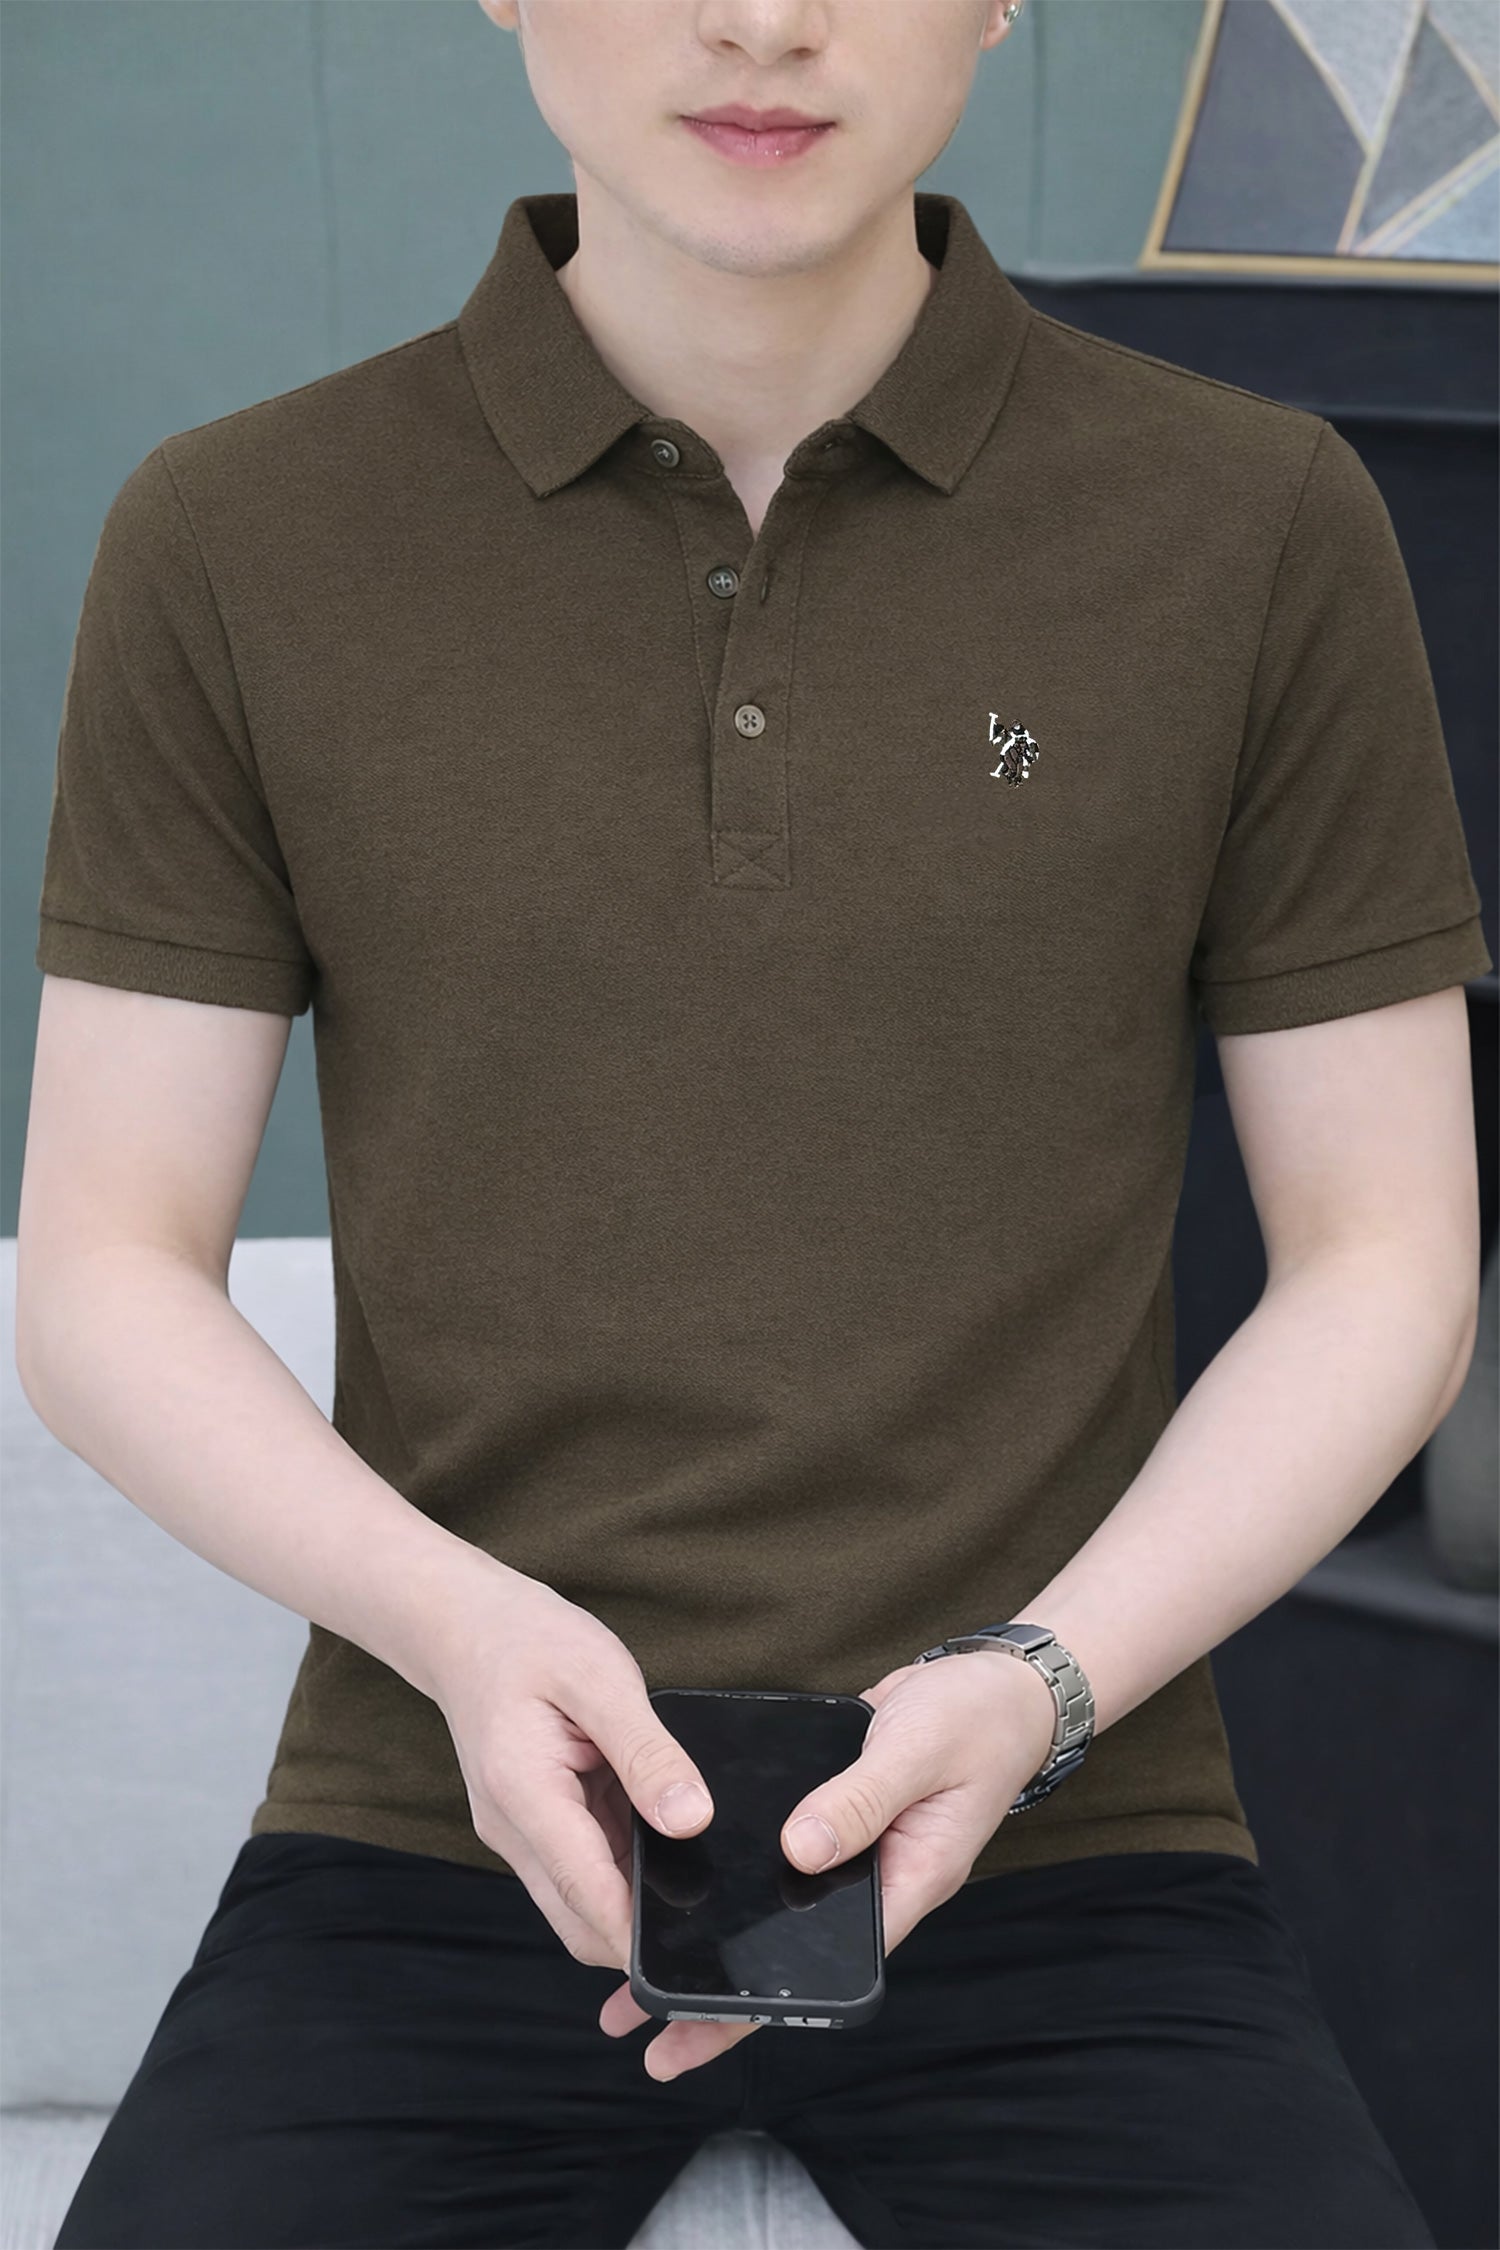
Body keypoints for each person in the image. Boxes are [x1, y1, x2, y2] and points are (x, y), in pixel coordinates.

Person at [18, 0, 1490, 2243]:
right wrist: (460, 1636)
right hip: (434, 1828)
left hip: (1072, 1836)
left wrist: (1044, 1684)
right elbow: (109, 1268)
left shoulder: (1260, 521)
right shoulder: (234, 535)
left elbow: (1384, 1259)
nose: (765, 22)